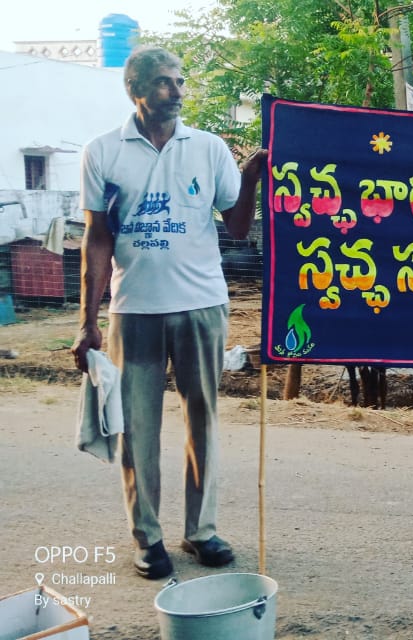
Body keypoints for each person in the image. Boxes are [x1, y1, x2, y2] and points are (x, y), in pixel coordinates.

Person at [71, 46, 267, 580]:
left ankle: (201, 531)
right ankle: (148, 536)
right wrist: (88, 321)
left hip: (202, 306)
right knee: (136, 427)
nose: (177, 91)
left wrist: (249, 178)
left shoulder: (208, 148)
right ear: (134, 88)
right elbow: (97, 237)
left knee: (203, 419)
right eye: (163, 81)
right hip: (134, 310)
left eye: (180, 80)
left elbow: (236, 227)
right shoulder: (102, 152)